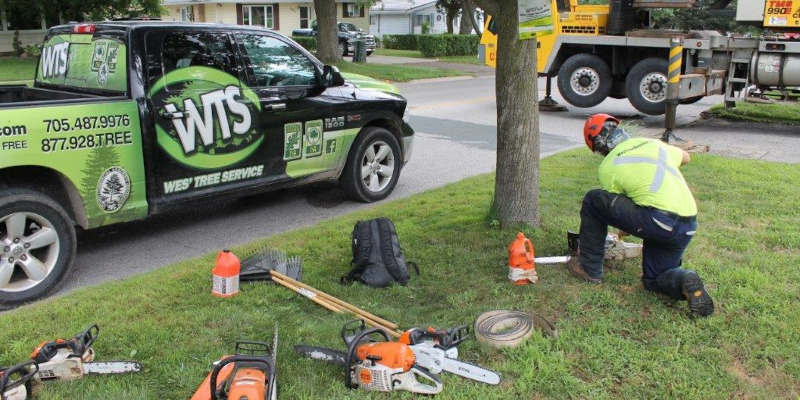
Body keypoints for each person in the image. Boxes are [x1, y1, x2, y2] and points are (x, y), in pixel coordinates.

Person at [567, 113, 714, 317]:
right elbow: (686, 157)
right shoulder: (653, 144)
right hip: (687, 225)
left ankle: (589, 268)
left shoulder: (609, 166)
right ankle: (684, 279)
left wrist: (625, 227)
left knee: (594, 200)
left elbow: (614, 206)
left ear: (599, 145)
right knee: (653, 280)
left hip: (658, 220)